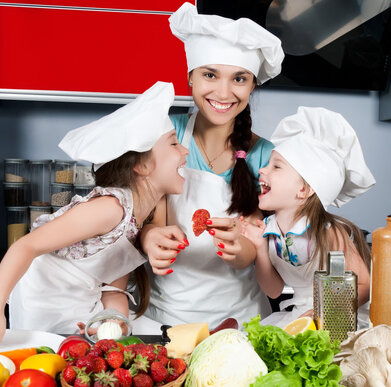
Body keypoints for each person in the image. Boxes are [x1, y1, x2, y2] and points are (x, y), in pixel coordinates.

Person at [0, 82, 188, 347]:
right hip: (45, 307)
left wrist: (113, 320)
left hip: (84, 306)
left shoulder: (138, 218)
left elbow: (113, 288)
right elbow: (25, 246)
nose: (184, 151)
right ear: (141, 165)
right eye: (174, 144)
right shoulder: (111, 208)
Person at [140, 3, 285, 327]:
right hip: (165, 320)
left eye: (239, 78)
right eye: (209, 75)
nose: (223, 91)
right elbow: (151, 218)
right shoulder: (165, 134)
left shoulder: (264, 155)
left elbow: (254, 242)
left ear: (252, 85)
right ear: (190, 77)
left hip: (242, 322)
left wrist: (240, 248)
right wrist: (151, 238)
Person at [240, 106, 376, 328]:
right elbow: (274, 291)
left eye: (276, 166)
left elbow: (362, 285)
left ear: (303, 190)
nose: (262, 171)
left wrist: (320, 313)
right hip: (299, 315)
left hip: (337, 319)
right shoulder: (269, 228)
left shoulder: (329, 231)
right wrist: (260, 250)